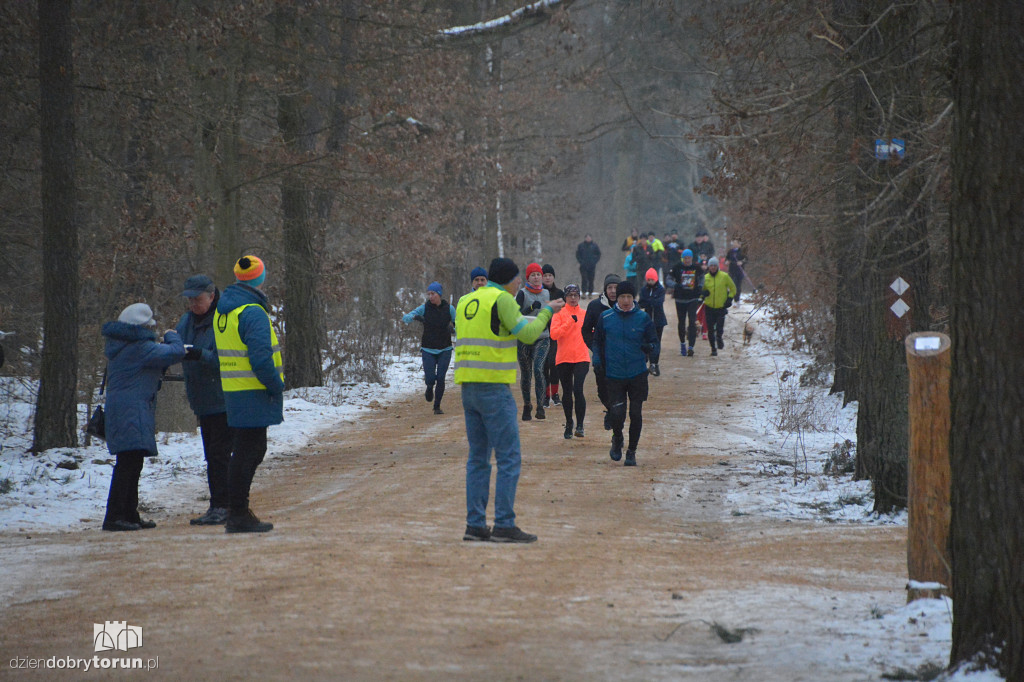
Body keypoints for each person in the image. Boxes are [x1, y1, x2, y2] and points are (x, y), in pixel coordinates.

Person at [454, 257, 565, 543]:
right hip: (494, 388)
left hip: (468, 387)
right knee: (508, 457)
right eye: (516, 277)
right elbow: (527, 335)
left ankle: (475, 524)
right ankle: (504, 523)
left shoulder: (468, 300)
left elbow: (496, 329)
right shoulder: (502, 299)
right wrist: (547, 312)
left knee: (477, 458)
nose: (519, 282)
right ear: (506, 278)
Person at [214, 255, 285, 533]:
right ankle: (238, 514)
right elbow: (260, 358)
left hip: (234, 390)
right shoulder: (252, 311)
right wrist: (275, 384)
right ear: (260, 277)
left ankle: (237, 511)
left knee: (247, 450)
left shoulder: (225, 310)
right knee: (248, 452)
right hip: (254, 390)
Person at [101, 303, 186, 531]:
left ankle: (128, 514)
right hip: (132, 410)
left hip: (123, 410)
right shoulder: (140, 348)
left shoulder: (120, 345)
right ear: (143, 327)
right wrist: (172, 336)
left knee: (131, 462)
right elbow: (175, 353)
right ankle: (115, 517)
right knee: (128, 464)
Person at [175, 274, 232, 526]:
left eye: (197, 300)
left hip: (222, 399)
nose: (193, 305)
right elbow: (176, 341)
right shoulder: (187, 321)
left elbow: (226, 360)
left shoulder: (223, 321)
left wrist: (200, 354)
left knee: (220, 454)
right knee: (212, 454)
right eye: (189, 300)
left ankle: (224, 505)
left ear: (212, 296)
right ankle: (218, 504)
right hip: (201, 399)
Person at [592, 280, 659, 467]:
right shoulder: (606, 318)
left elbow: (654, 340)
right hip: (614, 374)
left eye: (629, 296)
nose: (626, 300)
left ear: (634, 298)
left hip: (637, 373)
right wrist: (596, 359)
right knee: (617, 413)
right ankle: (618, 437)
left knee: (636, 414)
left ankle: (632, 451)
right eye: (622, 297)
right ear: (617, 298)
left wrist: (652, 350)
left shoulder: (643, 318)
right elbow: (597, 341)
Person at [402, 281, 456, 415]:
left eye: (433, 294)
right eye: (429, 294)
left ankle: (437, 406)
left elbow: (459, 325)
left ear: (439, 294)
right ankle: (429, 386)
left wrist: (453, 329)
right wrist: (415, 317)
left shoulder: (450, 309)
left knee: (441, 377)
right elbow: (405, 318)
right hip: (428, 349)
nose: (431, 297)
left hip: (445, 349)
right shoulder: (424, 308)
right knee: (431, 377)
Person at [548, 284, 590, 439]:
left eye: (576, 295)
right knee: (566, 392)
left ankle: (580, 425)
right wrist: (568, 323)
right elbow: (554, 335)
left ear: (579, 297)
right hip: (563, 358)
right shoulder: (558, 314)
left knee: (578, 389)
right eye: (570, 295)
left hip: (581, 357)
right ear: (565, 297)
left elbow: (592, 332)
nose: (573, 298)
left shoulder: (585, 314)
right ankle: (569, 423)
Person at [514, 263, 551, 421]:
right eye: (533, 275)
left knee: (538, 369)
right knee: (526, 373)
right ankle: (527, 405)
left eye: (538, 274)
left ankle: (541, 406)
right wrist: (530, 309)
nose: (536, 277)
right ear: (527, 277)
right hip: (524, 337)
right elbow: (514, 315)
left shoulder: (547, 293)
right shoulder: (522, 294)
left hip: (542, 337)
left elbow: (550, 313)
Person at [581, 273, 619, 421]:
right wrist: (594, 346)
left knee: (618, 388)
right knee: (602, 390)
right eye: (610, 287)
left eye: (616, 287)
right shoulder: (595, 306)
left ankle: (615, 416)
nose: (613, 291)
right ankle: (610, 409)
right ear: (605, 289)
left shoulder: (626, 304)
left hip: (620, 355)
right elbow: (585, 329)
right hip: (601, 355)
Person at [669, 249, 704, 356]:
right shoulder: (677, 267)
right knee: (681, 322)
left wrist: (700, 287)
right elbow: (668, 279)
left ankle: (691, 347)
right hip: (680, 299)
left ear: (692, 258)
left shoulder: (696, 268)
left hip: (692, 298)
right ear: (682, 258)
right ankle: (683, 344)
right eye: (685, 258)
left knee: (692, 321)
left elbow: (702, 278)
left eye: (689, 258)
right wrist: (675, 285)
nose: (687, 260)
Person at [701, 257, 737, 357]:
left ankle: (719, 338)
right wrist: (703, 294)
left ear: (717, 266)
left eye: (714, 266)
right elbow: (701, 290)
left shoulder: (724, 276)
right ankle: (713, 348)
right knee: (710, 329)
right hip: (709, 307)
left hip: (721, 307)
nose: (713, 267)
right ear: (708, 267)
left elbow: (733, 288)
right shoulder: (705, 278)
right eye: (711, 266)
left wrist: (729, 299)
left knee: (719, 328)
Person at [541, 265, 564, 409]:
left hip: (556, 333)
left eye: (550, 275)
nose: (548, 277)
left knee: (554, 364)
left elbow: (565, 311)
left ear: (554, 277)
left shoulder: (559, 293)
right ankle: (545, 395)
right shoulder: (539, 293)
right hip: (542, 332)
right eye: (545, 275)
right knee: (543, 365)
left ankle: (555, 394)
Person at [638, 268, 667, 376]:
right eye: (648, 280)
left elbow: (658, 302)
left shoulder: (660, 289)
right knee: (645, 341)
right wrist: (650, 302)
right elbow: (641, 302)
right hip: (647, 320)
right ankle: (646, 360)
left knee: (656, 343)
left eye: (652, 280)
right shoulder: (644, 289)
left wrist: (649, 301)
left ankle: (654, 363)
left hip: (659, 320)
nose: (650, 282)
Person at [726, 238, 748, 303]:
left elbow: (746, 259)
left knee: (738, 286)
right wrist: (727, 261)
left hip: (739, 271)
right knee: (732, 285)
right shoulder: (730, 251)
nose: (734, 244)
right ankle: (731, 299)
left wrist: (741, 262)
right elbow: (727, 258)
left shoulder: (742, 251)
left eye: (736, 243)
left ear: (739, 244)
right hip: (732, 271)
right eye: (734, 243)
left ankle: (737, 299)